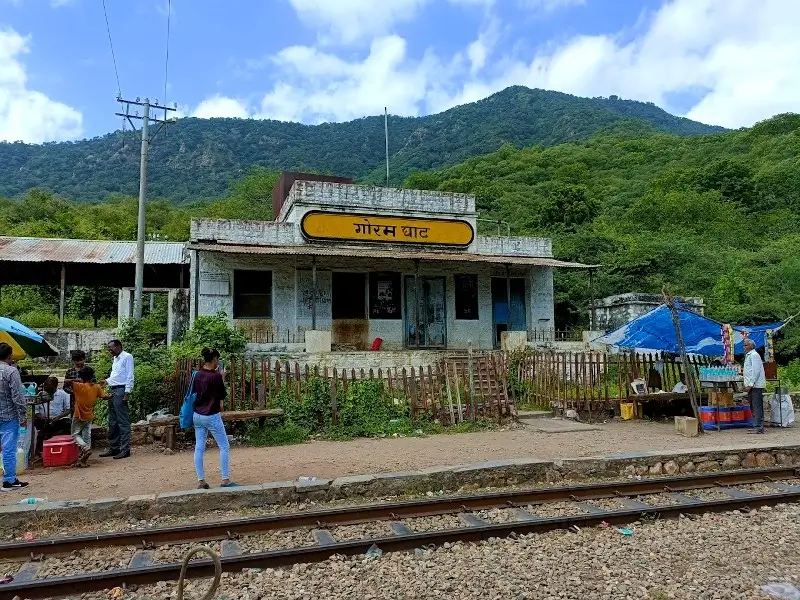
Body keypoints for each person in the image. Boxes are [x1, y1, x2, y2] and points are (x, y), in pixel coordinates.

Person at [192, 348, 236, 490]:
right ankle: (225, 480)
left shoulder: (197, 374)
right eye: (217, 359)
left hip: (197, 415)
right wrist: (222, 378)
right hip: (211, 415)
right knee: (224, 446)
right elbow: (222, 395)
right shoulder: (216, 377)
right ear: (215, 359)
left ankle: (201, 481)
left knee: (199, 447)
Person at [64, 368, 109, 465]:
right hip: (89, 415)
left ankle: (85, 448)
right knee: (86, 435)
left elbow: (66, 382)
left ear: (81, 377)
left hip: (78, 415)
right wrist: (110, 395)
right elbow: (104, 397)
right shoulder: (96, 387)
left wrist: (76, 380)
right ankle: (84, 456)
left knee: (75, 434)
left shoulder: (78, 386)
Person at [0, 342, 29, 490]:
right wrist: (23, 415)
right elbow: (17, 396)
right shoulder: (11, 371)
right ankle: (9, 480)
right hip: (8, 416)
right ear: (10, 356)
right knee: (8, 449)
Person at [101, 340, 134, 460]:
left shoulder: (127, 357)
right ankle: (114, 447)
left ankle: (125, 450)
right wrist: (106, 381)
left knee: (122, 421)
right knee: (113, 421)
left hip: (121, 390)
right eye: (109, 348)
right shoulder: (115, 359)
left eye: (112, 348)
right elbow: (116, 376)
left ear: (119, 346)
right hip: (114, 389)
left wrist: (127, 392)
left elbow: (130, 375)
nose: (110, 350)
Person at [33, 376, 72, 454]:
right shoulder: (40, 395)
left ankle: (58, 442)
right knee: (35, 423)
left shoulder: (64, 394)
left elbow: (68, 409)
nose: (48, 392)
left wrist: (58, 417)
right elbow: (36, 410)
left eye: (50, 390)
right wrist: (42, 417)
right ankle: (38, 447)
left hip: (58, 419)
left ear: (55, 387)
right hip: (43, 420)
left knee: (67, 423)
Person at [743, 338, 767, 434]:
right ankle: (756, 425)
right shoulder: (749, 355)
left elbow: (756, 371)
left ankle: (759, 427)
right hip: (752, 384)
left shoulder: (754, 355)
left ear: (750, 346)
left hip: (755, 385)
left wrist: (751, 384)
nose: (744, 347)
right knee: (753, 405)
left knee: (757, 406)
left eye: (745, 345)